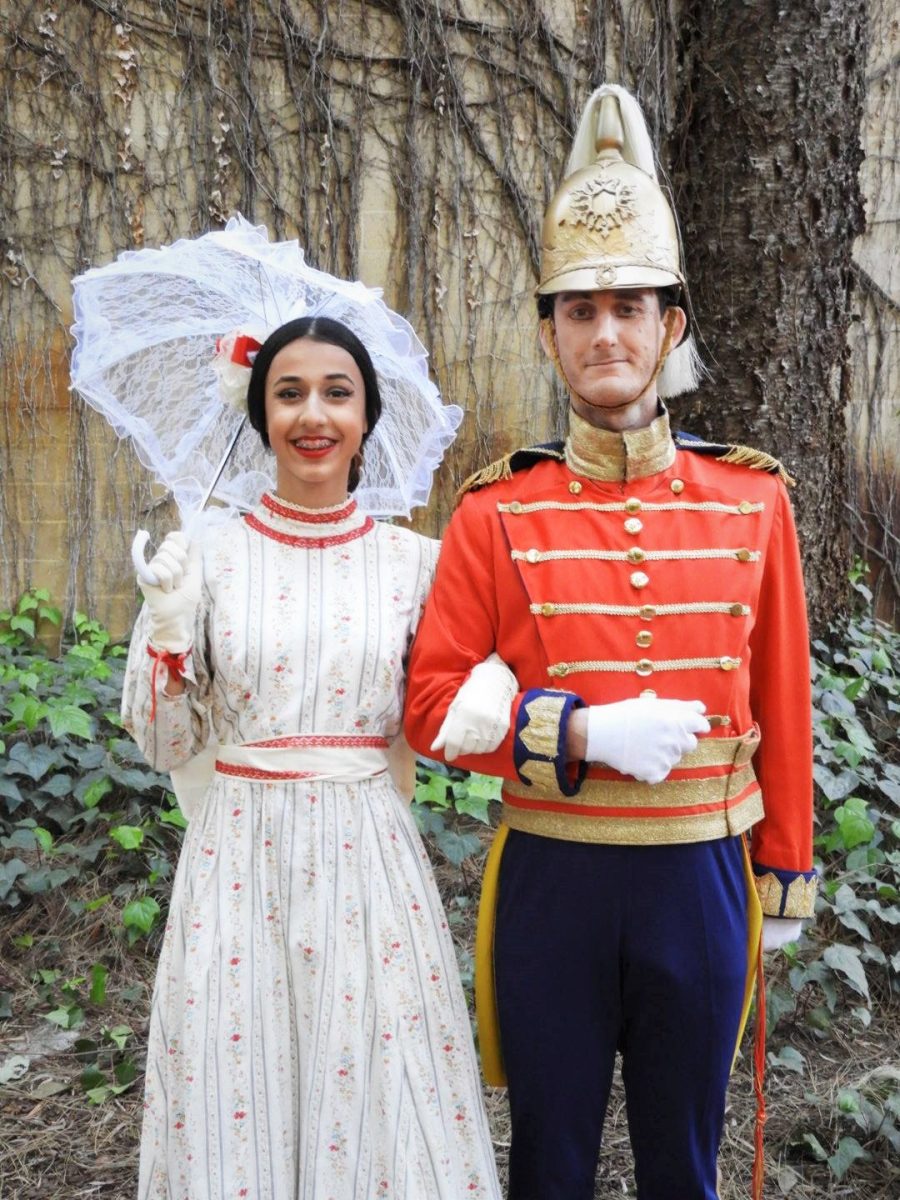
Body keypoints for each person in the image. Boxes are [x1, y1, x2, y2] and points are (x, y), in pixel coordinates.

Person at [404, 85, 816, 1200]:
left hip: (701, 875)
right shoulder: (496, 513)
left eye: (630, 306)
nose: (607, 333)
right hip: (553, 876)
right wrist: (579, 731)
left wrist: (783, 870)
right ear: (548, 332)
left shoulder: (752, 502)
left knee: (686, 1163)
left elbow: (784, 693)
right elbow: (434, 705)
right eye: (579, 311)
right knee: (549, 1162)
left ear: (671, 325)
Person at [122, 315, 501, 1200]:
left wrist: (490, 683)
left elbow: (447, 716)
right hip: (236, 859)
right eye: (288, 392)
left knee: (376, 1075)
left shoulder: (417, 564)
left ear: (366, 416)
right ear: (260, 412)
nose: (313, 413)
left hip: (367, 856)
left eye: (338, 392)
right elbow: (166, 744)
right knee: (232, 1080)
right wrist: (171, 633)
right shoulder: (204, 555)